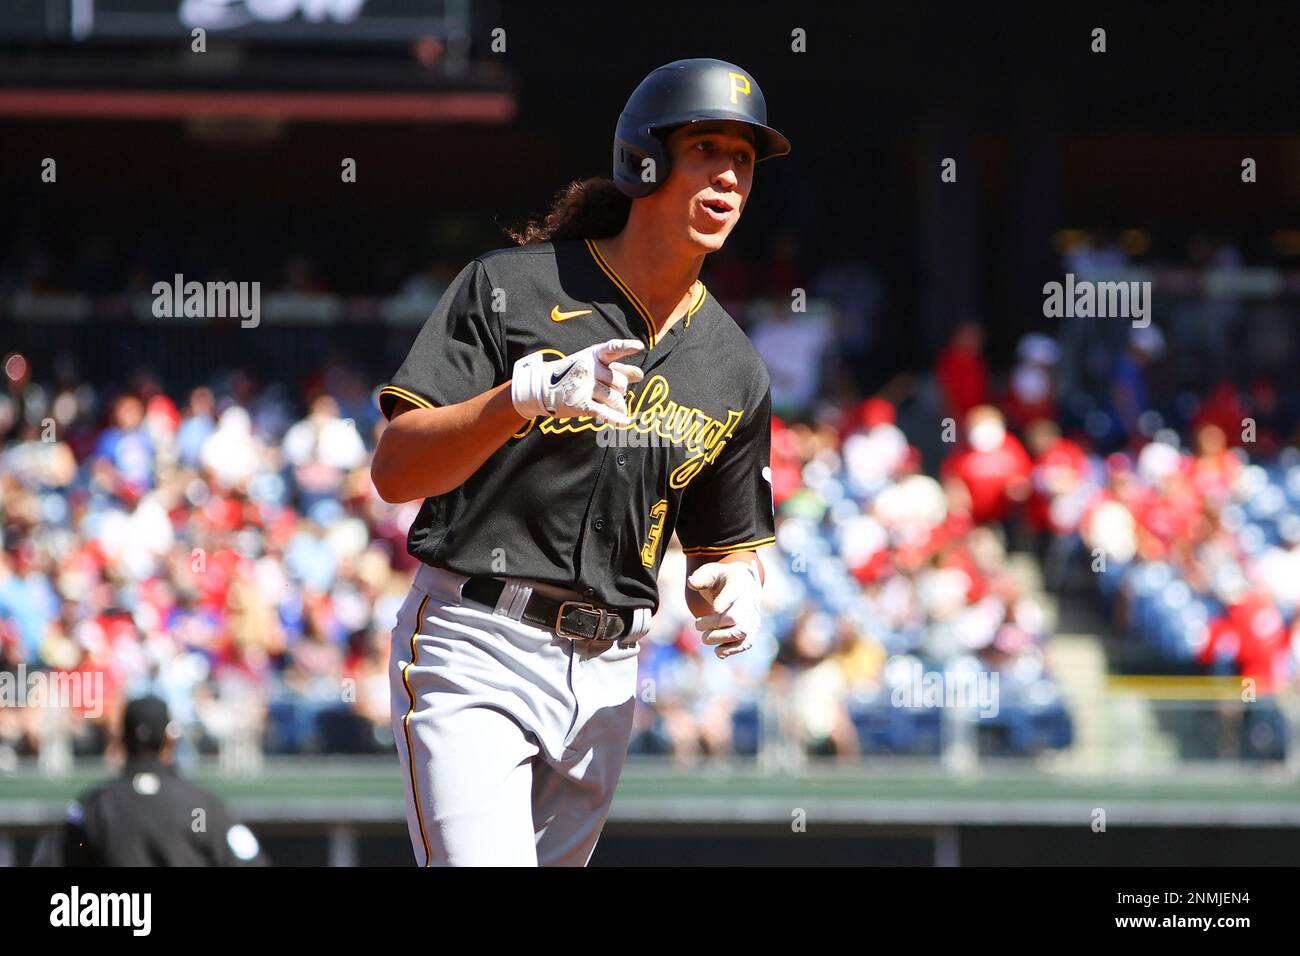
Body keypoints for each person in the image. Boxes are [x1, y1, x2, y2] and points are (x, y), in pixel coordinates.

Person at [369, 58, 790, 866]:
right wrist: (517, 400)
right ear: (646, 157)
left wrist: (735, 582)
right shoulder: (511, 290)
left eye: (744, 159)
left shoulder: (735, 366)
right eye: (706, 147)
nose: (730, 175)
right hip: (477, 639)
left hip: (610, 674)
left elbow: (725, 546)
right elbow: (395, 472)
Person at [51, 696, 267, 866]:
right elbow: (249, 862)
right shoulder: (199, 808)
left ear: (122, 741)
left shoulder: (94, 807)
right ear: (169, 740)